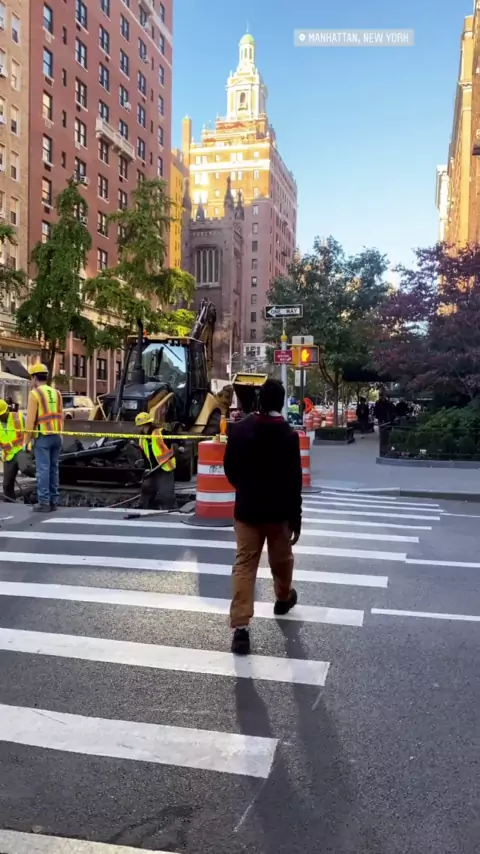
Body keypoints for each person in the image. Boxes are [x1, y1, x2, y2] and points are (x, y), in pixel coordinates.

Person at [224, 378, 302, 656]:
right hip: (278, 513)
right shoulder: (288, 436)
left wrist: (246, 490)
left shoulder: (239, 430)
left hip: (247, 511)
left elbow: (230, 469)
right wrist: (296, 518)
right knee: (282, 561)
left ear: (259, 400)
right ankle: (283, 598)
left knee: (245, 566)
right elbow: (294, 482)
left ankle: (241, 628)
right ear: (281, 402)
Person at [24, 364, 63, 512]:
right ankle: (54, 501)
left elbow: (30, 421)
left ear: (34, 378)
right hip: (56, 436)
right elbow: (60, 415)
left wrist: (26, 441)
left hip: (43, 437)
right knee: (54, 469)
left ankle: (44, 502)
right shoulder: (57, 393)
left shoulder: (35, 394)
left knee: (43, 470)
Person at [135, 412, 176, 510]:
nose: (139, 429)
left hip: (165, 466)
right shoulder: (142, 438)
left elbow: (176, 440)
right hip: (152, 468)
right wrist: (146, 467)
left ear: (145, 425)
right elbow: (145, 455)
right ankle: (143, 507)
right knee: (147, 487)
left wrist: (178, 447)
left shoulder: (160, 433)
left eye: (140, 426)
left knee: (165, 492)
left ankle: (170, 509)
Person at [0, 398, 25, 502]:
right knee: (6, 485)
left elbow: (30, 431)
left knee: (26, 468)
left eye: (2, 415)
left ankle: (45, 481)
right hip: (8, 455)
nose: (1, 417)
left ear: (7, 410)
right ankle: (11, 503)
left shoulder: (18, 417)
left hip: (21, 450)